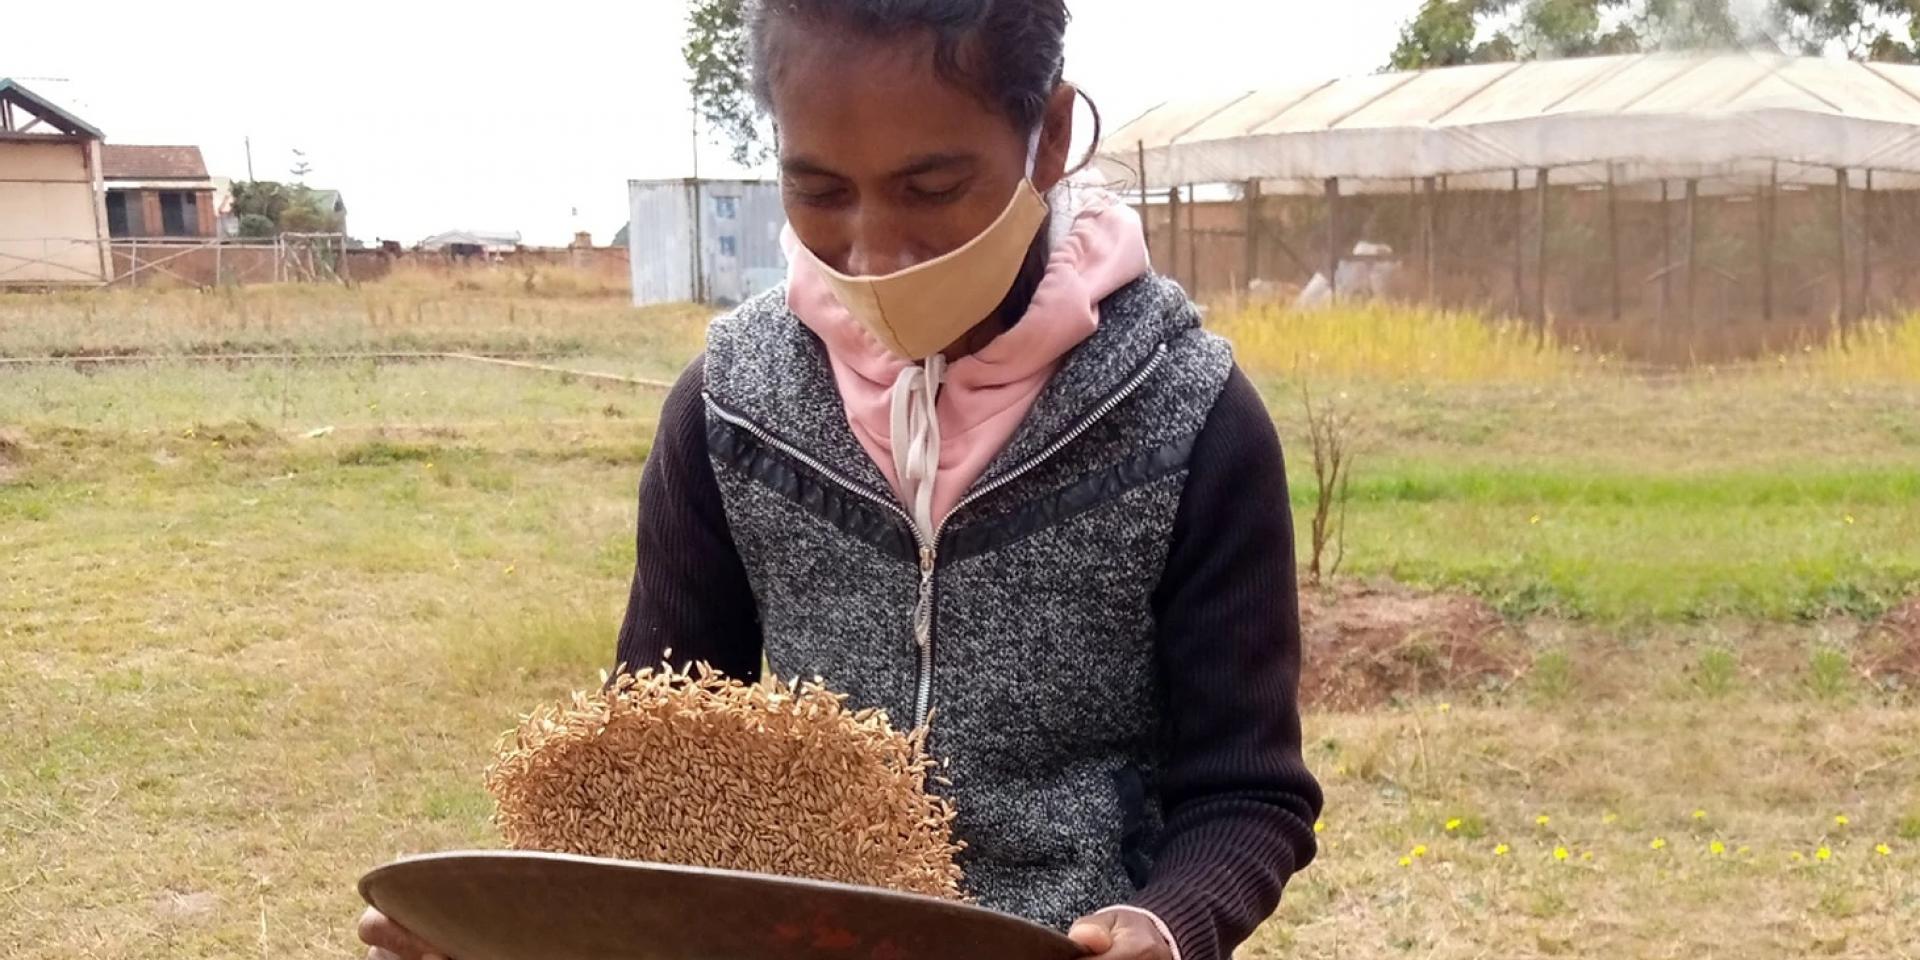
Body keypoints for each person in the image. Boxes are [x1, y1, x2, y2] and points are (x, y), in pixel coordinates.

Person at [359, 2, 1321, 958]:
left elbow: (1248, 793)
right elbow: (649, 764)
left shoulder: (1187, 419)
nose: (873, 253)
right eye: (819, 190)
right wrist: (517, 930)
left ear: (1049, 138)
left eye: (933, 187)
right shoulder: (731, 410)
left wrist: (1166, 924)